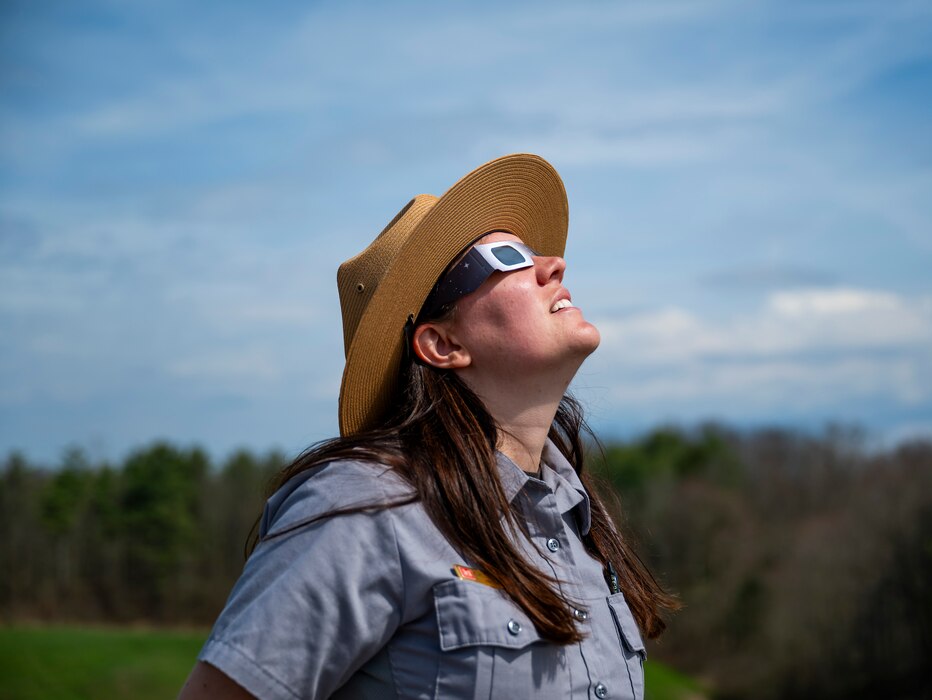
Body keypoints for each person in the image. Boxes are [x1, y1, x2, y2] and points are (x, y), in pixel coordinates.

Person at [179, 153, 677, 699]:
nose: (553, 265)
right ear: (442, 344)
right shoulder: (366, 505)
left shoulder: (580, 519)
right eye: (507, 256)